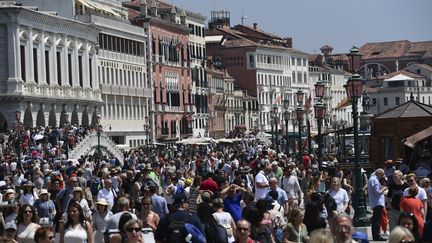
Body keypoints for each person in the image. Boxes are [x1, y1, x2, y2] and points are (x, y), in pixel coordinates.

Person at [367, 168, 387, 241]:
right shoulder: (374, 180)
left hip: (375, 202)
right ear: (379, 173)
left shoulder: (372, 179)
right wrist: (383, 189)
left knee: (375, 220)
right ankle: (376, 236)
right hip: (377, 203)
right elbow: (377, 192)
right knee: (377, 221)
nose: (383, 176)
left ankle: (376, 235)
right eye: (382, 174)